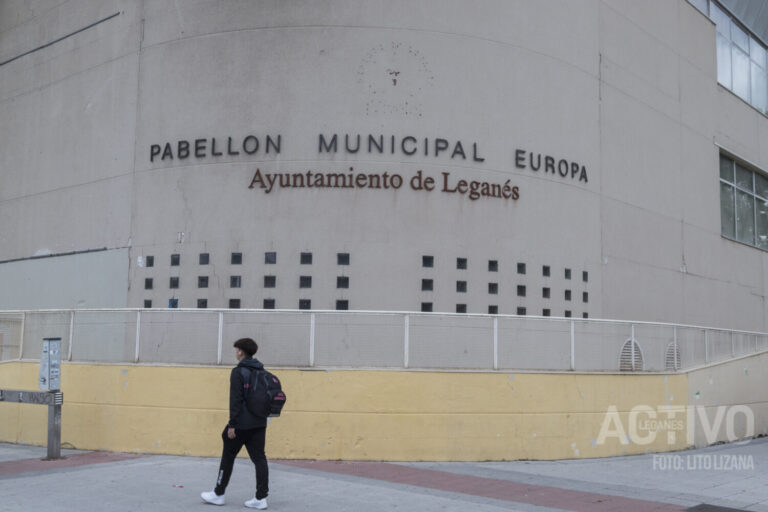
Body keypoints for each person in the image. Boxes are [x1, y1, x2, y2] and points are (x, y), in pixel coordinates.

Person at [201, 338, 269, 509]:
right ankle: (261, 498)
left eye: (236, 349)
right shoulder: (262, 371)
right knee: (260, 459)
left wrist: (232, 425)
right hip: (260, 423)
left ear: (240, 351)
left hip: (241, 425)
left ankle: (218, 493)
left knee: (228, 457)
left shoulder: (238, 372)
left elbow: (236, 400)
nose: (235, 352)